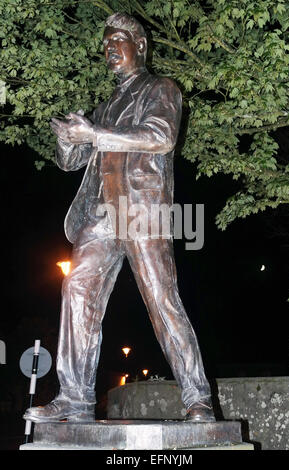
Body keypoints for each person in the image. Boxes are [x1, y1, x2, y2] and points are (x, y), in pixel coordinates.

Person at [24, 13, 215, 423]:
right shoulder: (105, 106)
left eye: (118, 41)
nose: (110, 48)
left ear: (140, 46)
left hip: (140, 210)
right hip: (100, 213)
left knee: (161, 299)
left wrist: (94, 134)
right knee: (77, 287)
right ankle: (74, 398)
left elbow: (161, 137)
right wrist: (67, 139)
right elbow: (73, 161)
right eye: (106, 43)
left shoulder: (162, 89)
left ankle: (198, 397)